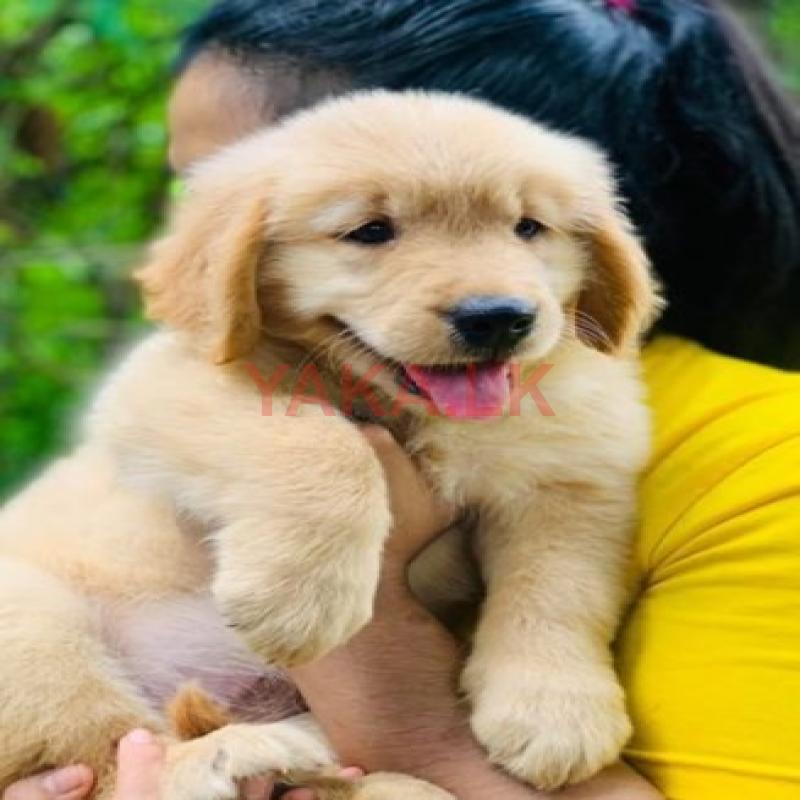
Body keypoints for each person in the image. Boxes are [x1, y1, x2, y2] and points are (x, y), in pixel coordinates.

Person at [7, 1, 800, 798]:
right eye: (372, 233)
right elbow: (159, 407)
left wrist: (459, 633)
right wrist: (313, 477)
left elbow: (564, 510)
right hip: (102, 646)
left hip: (316, 728)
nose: (487, 293)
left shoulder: (755, 459)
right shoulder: (232, 361)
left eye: (526, 226)